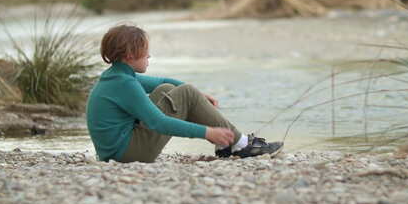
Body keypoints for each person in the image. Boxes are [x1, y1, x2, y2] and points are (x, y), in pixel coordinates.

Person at [86, 24, 283, 163]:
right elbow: (159, 123)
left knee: (168, 90)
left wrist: (200, 95)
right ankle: (240, 144)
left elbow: (163, 82)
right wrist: (207, 132)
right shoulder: (125, 84)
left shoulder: (117, 76)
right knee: (185, 93)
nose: (149, 57)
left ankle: (229, 145)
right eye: (146, 52)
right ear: (130, 56)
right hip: (126, 154)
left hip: (114, 152)